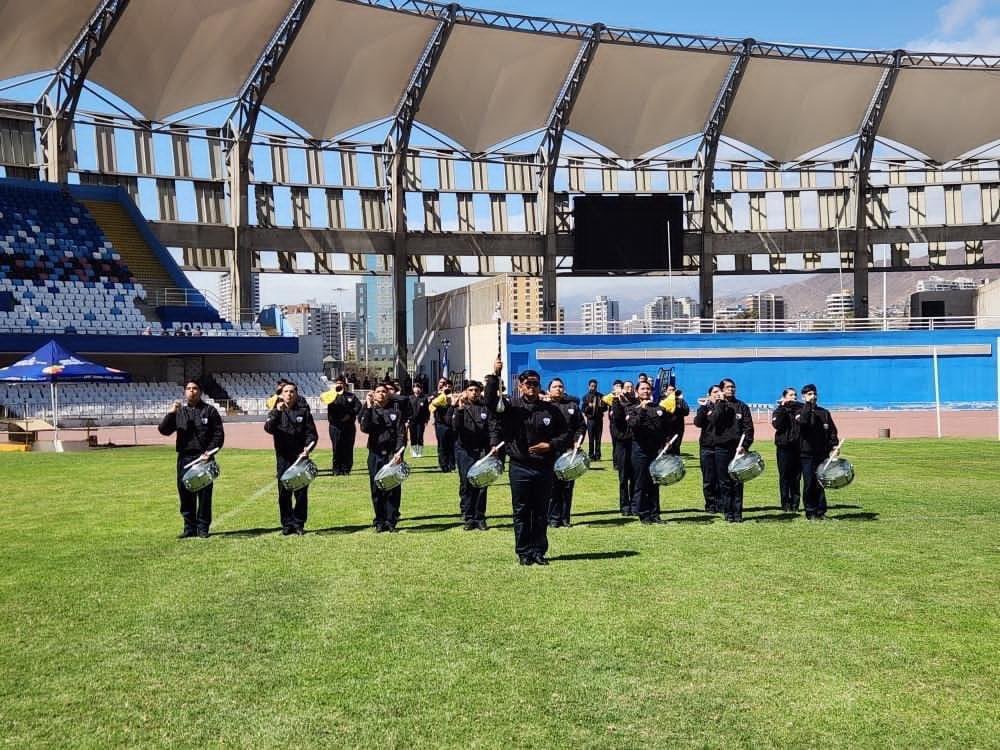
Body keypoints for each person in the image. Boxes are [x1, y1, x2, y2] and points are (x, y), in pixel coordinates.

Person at [486, 360, 571, 566]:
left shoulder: (551, 410)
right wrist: (494, 376)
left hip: (543, 467)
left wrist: (549, 445)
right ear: (520, 385)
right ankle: (523, 551)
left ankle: (538, 551)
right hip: (520, 467)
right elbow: (490, 402)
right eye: (527, 383)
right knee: (521, 511)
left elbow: (566, 435)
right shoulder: (511, 407)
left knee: (541, 511)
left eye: (535, 383)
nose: (531, 387)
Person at [158, 380, 224, 538]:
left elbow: (218, 435)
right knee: (185, 493)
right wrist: (171, 413)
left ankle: (202, 528)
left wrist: (209, 452)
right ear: (184, 392)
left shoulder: (210, 411)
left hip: (204, 458)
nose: (192, 391)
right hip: (185, 458)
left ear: (200, 392)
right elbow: (164, 430)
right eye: (188, 389)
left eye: (195, 388)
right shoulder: (180, 412)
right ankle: (189, 527)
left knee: (204, 495)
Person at [264, 381, 318, 535]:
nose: (289, 394)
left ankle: (299, 523)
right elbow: (268, 428)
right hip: (283, 458)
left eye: (292, 391)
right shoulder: (275, 412)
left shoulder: (304, 412)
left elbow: (312, 435)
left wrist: (308, 449)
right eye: (286, 391)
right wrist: (276, 412)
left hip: (300, 458)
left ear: (296, 394)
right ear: (281, 394)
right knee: (284, 493)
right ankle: (287, 524)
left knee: (301, 493)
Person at [701, 378, 754, 523]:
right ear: (722, 390)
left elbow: (748, 428)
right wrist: (721, 403)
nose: (731, 389)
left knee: (737, 481)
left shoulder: (742, 406)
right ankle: (728, 512)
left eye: (733, 387)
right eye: (728, 387)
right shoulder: (717, 406)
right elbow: (714, 421)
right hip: (721, 449)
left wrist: (745, 445)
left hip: (738, 449)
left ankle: (738, 513)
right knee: (724, 482)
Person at [359, 383, 407, 532]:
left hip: (392, 455)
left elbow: (401, 434)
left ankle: (391, 520)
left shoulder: (396, 413)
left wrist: (399, 453)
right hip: (375, 454)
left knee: (393, 488)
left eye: (384, 391)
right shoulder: (369, 410)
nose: (381, 394)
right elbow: (364, 428)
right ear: (373, 394)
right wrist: (368, 406)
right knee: (376, 488)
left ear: (388, 394)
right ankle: (379, 520)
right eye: (378, 391)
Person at [447, 380, 493, 530]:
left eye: (477, 390)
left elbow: (492, 428)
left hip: (481, 451)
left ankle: (480, 517)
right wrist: (458, 409)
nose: (474, 393)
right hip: (464, 451)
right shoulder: (460, 408)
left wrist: (492, 446)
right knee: (467, 484)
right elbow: (454, 427)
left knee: (482, 484)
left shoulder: (485, 408)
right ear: (466, 392)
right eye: (471, 390)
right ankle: (468, 517)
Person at [626, 380, 670, 524]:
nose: (646, 391)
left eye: (648, 389)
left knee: (654, 482)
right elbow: (633, 424)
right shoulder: (632, 408)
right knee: (641, 483)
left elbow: (665, 427)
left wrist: (667, 440)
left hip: (655, 450)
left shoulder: (658, 408)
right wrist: (643, 410)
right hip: (640, 450)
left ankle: (655, 513)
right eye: (643, 389)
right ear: (637, 392)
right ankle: (643, 514)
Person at [546, 377, 587, 528]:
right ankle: (552, 518)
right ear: (549, 389)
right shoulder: (545, 406)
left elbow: (581, 426)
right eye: (555, 386)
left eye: (560, 386)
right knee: (552, 487)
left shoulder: (572, 406)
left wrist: (577, 441)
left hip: (569, 452)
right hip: (550, 453)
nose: (558, 389)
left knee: (567, 486)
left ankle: (565, 518)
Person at [795, 384, 839, 520]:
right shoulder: (799, 411)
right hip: (806, 454)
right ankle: (810, 511)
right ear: (803, 396)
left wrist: (834, 446)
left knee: (820, 482)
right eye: (808, 394)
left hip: (822, 453)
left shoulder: (824, 412)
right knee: (809, 483)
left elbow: (832, 431)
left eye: (813, 393)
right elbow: (803, 421)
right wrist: (807, 405)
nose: (812, 396)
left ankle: (821, 511)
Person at [772, 387, 803, 512]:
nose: (794, 397)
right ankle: (785, 504)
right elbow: (777, 425)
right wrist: (782, 408)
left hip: (798, 447)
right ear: (784, 397)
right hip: (784, 447)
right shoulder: (779, 410)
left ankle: (795, 504)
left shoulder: (801, 409)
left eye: (795, 395)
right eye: (791, 395)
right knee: (784, 476)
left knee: (796, 477)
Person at [693, 385, 723, 513]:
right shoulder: (705, 407)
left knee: (722, 478)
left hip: (722, 447)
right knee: (708, 478)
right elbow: (698, 422)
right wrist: (703, 407)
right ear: (709, 394)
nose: (717, 394)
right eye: (715, 392)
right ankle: (710, 504)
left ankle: (722, 504)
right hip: (707, 447)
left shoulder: (726, 407)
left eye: (719, 392)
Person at [609, 380, 637, 515]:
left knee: (635, 476)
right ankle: (625, 505)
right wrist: (618, 400)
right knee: (623, 477)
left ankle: (635, 504)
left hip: (635, 443)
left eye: (631, 387)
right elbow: (618, 419)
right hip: (622, 444)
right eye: (627, 387)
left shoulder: (637, 402)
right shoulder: (617, 402)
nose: (629, 389)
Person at [326, 375, 361, 475]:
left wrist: (350, 415)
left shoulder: (351, 396)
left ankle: (346, 468)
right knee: (336, 448)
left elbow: (358, 407)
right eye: (337, 384)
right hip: (335, 426)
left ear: (345, 385)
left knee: (348, 447)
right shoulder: (331, 396)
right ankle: (336, 469)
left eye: (341, 384)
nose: (339, 385)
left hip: (348, 426)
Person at [430, 378, 456, 473]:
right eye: (446, 386)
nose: (448, 388)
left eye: (449, 386)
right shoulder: (437, 395)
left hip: (452, 424)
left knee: (452, 445)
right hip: (441, 424)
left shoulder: (454, 396)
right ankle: (443, 465)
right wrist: (443, 395)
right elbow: (433, 405)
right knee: (442, 445)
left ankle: (452, 465)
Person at [659, 384, 690, 456]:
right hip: (665, 429)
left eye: (673, 390)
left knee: (676, 448)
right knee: (665, 449)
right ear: (665, 392)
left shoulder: (680, 401)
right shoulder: (662, 400)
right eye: (670, 390)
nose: (672, 392)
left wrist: (678, 402)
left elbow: (686, 412)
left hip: (678, 429)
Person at [581, 378, 607, 462]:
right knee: (591, 438)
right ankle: (591, 456)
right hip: (590, 420)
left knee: (598, 439)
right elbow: (583, 409)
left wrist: (601, 406)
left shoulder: (601, 396)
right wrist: (589, 406)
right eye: (592, 386)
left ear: (597, 387)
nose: (593, 387)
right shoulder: (585, 397)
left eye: (595, 386)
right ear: (589, 387)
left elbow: (605, 408)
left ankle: (598, 456)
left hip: (599, 419)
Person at [407, 382, 431, 458]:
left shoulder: (424, 399)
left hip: (421, 421)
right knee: (413, 436)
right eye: (415, 387)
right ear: (413, 389)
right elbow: (407, 409)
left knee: (420, 435)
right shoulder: (410, 398)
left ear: (421, 389)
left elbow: (427, 410)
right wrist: (407, 419)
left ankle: (420, 451)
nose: (416, 389)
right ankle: (414, 451)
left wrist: (427, 419)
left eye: (418, 387)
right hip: (412, 420)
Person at [603, 380, 623, 467]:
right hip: (613, 424)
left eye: (620, 385)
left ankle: (622, 463)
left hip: (622, 423)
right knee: (615, 444)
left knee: (622, 444)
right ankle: (616, 463)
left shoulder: (623, 397)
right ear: (613, 387)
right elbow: (603, 402)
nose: (618, 387)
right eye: (616, 385)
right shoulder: (609, 397)